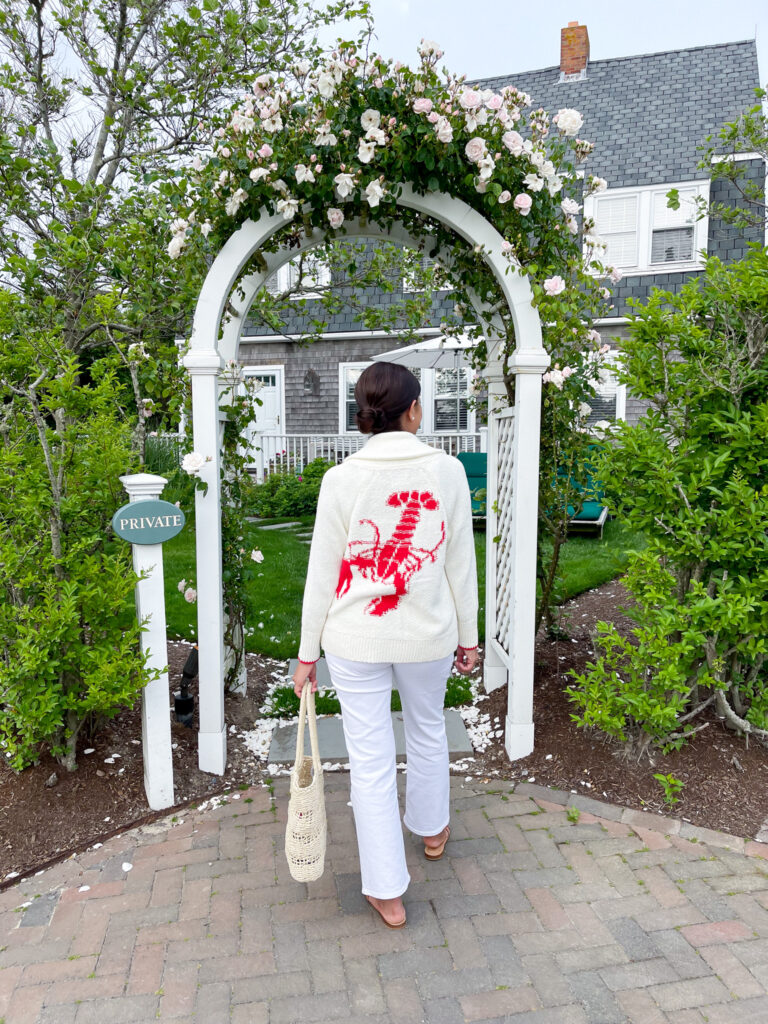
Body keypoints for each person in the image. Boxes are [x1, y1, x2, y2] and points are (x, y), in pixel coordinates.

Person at [292, 361, 478, 929]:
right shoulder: (446, 471)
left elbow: (322, 573)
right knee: (427, 729)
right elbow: (459, 564)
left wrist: (307, 654)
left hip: (354, 638)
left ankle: (387, 892)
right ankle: (433, 828)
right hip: (427, 635)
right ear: (414, 410)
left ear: (365, 415)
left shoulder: (341, 479)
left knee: (370, 760)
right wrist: (469, 639)